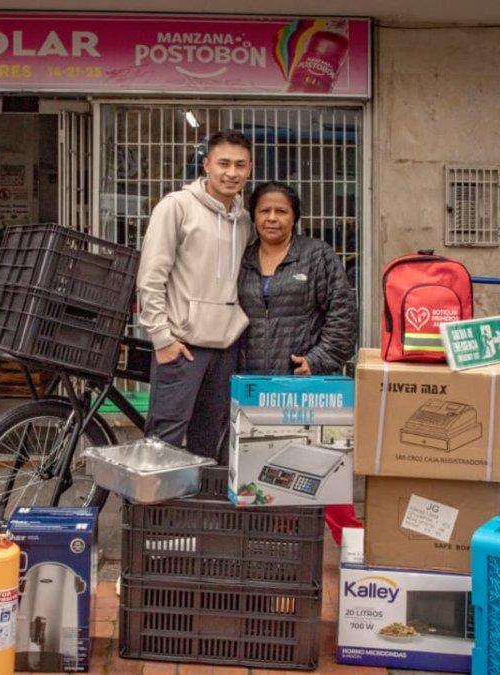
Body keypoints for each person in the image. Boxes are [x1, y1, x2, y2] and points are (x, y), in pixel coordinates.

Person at [237, 181, 361, 543]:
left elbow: (343, 313)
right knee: (272, 473)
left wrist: (319, 360)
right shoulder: (242, 258)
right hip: (256, 385)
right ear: (254, 216)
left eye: (281, 211)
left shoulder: (316, 255)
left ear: (294, 217)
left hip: (306, 385)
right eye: (264, 211)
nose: (272, 218)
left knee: (329, 474)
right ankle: (284, 552)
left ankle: (355, 558)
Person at [136, 130, 253, 460]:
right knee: (165, 436)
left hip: (226, 347)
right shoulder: (176, 207)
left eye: (240, 165)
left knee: (211, 436)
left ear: (250, 169)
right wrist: (161, 337)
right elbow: (150, 277)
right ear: (206, 165)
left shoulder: (244, 221)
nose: (231, 172)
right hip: (182, 345)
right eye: (223, 163)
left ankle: (198, 509)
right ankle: (154, 509)